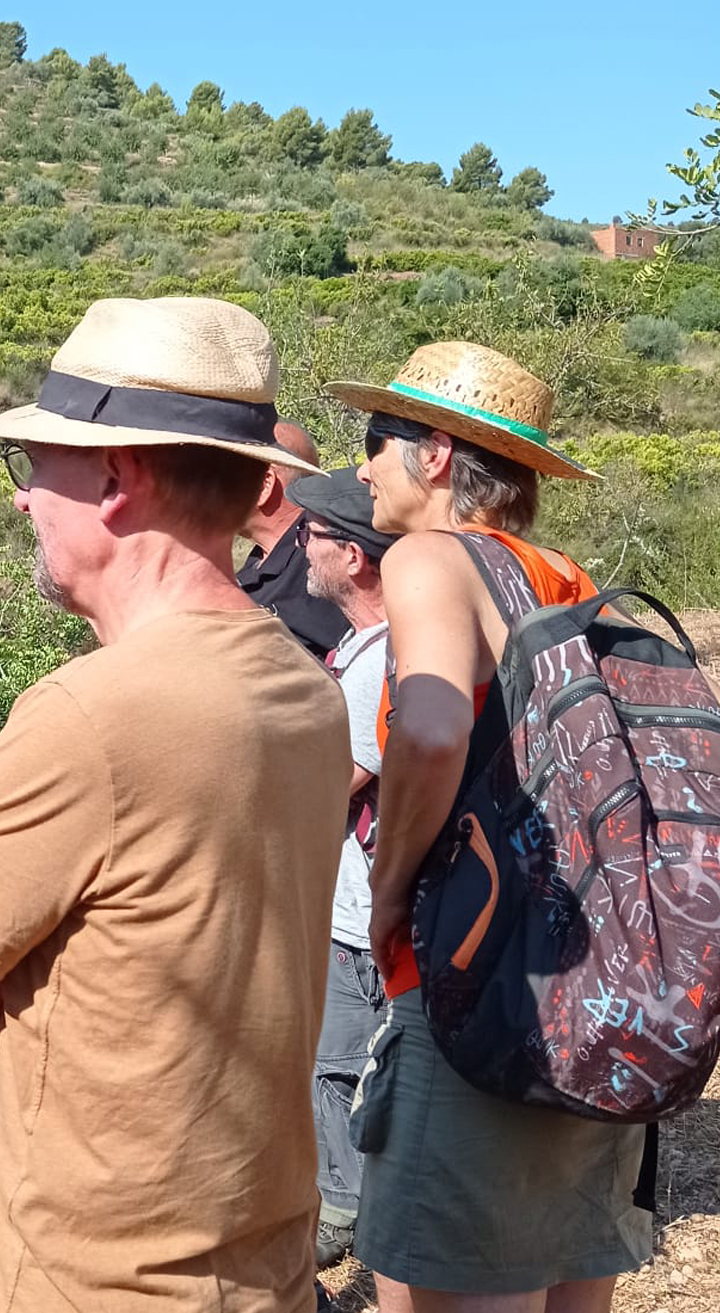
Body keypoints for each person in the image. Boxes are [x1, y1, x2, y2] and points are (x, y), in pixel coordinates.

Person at [0, 296, 351, 1311]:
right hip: (254, 1256)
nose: (26, 501)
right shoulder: (303, 684)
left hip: (102, 1275)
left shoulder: (94, 711)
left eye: (39, 470)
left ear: (118, 479)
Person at [329, 342, 653, 1309]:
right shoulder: (566, 575)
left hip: (471, 986)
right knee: (565, 1274)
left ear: (434, 454)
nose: (362, 466)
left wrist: (388, 898)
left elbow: (429, 731)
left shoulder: (433, 559)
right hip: (587, 980)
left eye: (377, 442)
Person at [286, 467, 396, 1272]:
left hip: (360, 918)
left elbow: (325, 788)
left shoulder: (373, 666)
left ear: (353, 556)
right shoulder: (370, 647)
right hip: (357, 906)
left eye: (314, 536)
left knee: (341, 1069)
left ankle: (350, 1217)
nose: (302, 547)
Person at [238, 420, 350, 659]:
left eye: (222, 472)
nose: (209, 486)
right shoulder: (260, 560)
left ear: (264, 486)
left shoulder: (322, 562)